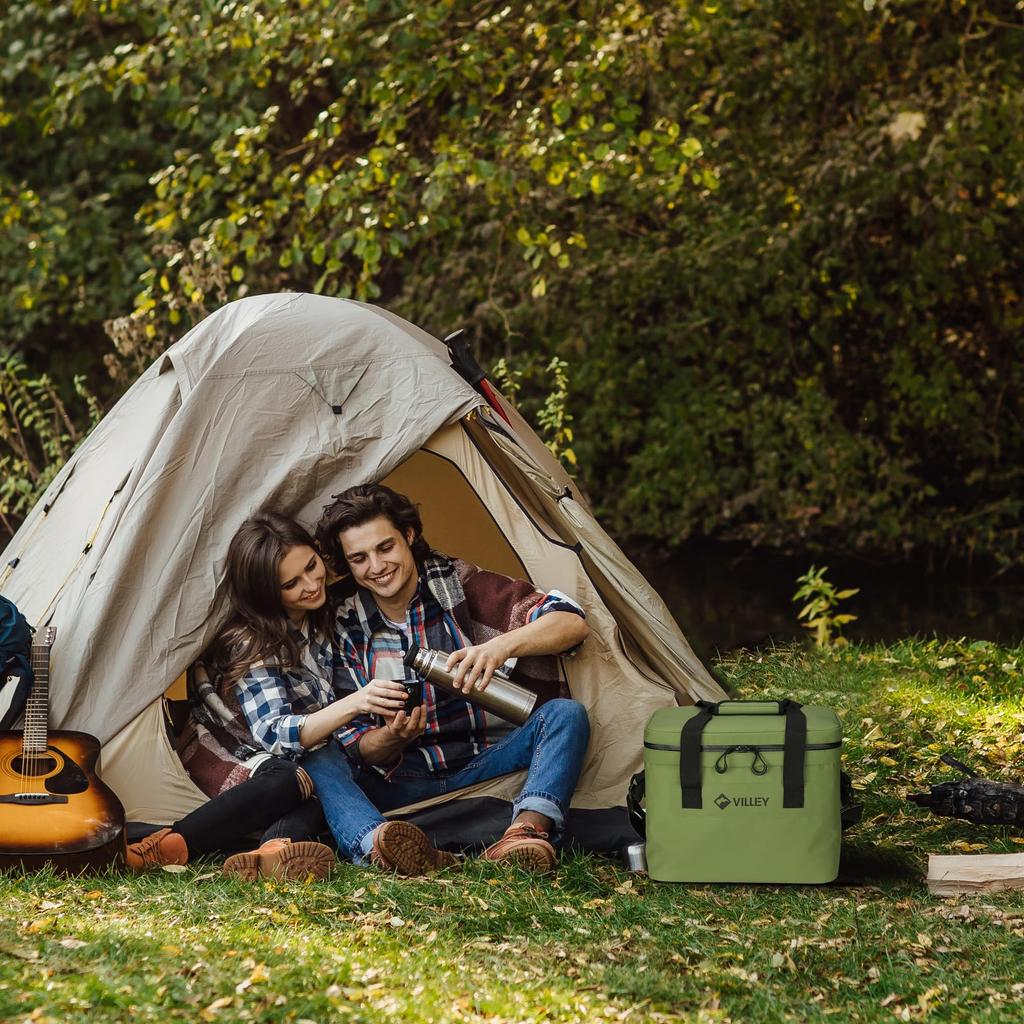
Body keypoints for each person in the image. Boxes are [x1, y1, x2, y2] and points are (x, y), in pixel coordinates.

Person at [301, 483, 592, 874]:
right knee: (316, 754)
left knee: (565, 715)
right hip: (400, 780)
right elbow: (358, 748)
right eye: (359, 558)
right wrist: (391, 739)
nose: (376, 567)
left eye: (385, 548)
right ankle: (380, 847)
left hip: (485, 764)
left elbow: (570, 622)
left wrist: (500, 647)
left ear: (408, 535)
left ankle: (524, 834)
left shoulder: (459, 584)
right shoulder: (341, 620)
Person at [211, 512, 458, 875]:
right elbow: (275, 734)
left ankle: (274, 852)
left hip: (334, 762)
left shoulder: (330, 610)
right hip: (262, 761)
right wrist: (357, 702)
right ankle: (374, 845)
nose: (311, 584)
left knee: (329, 774)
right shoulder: (253, 640)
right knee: (317, 762)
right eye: (291, 584)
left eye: (312, 566)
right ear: (267, 592)